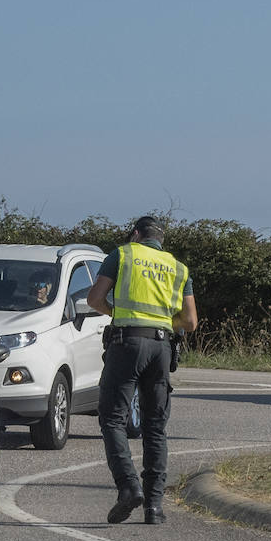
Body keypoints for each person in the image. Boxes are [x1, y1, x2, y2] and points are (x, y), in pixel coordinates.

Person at [87, 216, 197, 525]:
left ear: (136, 234)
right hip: (161, 347)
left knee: (112, 418)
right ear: (161, 240)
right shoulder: (178, 267)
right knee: (154, 426)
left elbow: (94, 298)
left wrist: (118, 314)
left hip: (127, 343)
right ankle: (154, 507)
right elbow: (189, 322)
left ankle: (128, 487)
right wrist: (162, 323)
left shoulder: (123, 254)